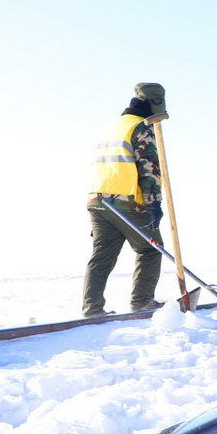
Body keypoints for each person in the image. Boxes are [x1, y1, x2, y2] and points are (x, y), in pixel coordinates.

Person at [82, 83, 167, 317]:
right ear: (153, 105)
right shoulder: (141, 126)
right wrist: (153, 202)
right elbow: (148, 168)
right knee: (151, 249)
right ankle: (142, 301)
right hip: (127, 200)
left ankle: (92, 308)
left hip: (97, 200)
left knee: (102, 256)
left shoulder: (111, 127)